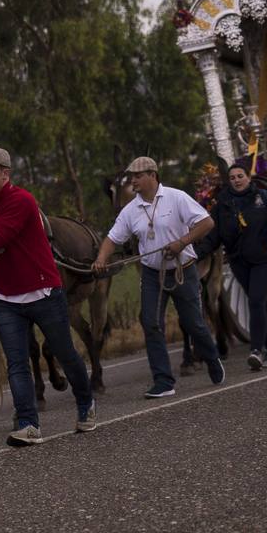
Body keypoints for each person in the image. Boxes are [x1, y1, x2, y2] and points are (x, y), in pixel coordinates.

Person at [0, 146, 96, 447]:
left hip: (43, 292)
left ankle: (86, 404)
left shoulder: (22, 200)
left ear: (6, 173)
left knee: (66, 354)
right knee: (16, 363)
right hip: (7, 298)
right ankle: (29, 424)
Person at [93, 156, 224, 396]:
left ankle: (212, 358)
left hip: (183, 270)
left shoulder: (177, 197)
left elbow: (207, 223)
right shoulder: (130, 210)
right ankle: (163, 381)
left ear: (153, 176)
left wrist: (182, 241)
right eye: (132, 177)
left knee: (193, 323)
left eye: (137, 176)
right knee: (151, 323)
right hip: (152, 274)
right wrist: (101, 259)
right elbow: (112, 238)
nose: (133, 181)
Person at [205, 162, 267, 370]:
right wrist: (194, 254)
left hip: (265, 259)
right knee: (259, 303)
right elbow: (213, 237)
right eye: (232, 177)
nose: (236, 180)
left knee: (256, 300)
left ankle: (256, 350)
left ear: (248, 177)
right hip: (239, 261)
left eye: (240, 176)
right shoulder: (223, 204)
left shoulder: (266, 198)